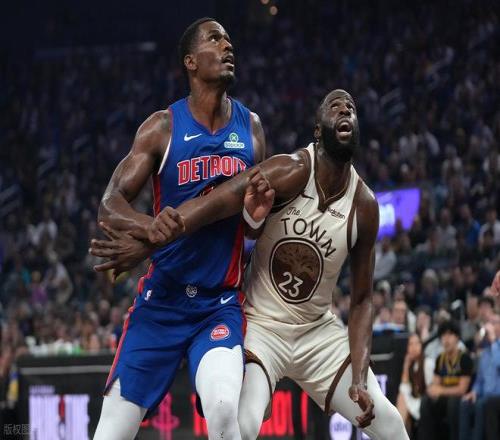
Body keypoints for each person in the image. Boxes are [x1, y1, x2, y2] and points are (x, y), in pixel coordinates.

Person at [91, 89, 408, 439]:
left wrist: (360, 377)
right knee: (239, 425)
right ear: (318, 130)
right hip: (261, 326)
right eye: (335, 106)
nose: (345, 110)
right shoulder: (290, 169)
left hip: (317, 330)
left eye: (351, 108)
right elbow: (219, 201)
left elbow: (362, 300)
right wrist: (152, 240)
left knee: (391, 425)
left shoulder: (364, 205)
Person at [91, 17, 268, 440]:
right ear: (190, 61)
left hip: (218, 303)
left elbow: (253, 222)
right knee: (110, 432)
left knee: (224, 412)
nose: (227, 46)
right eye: (215, 39)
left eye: (229, 39)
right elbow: (109, 203)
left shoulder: (251, 128)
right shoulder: (162, 127)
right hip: (162, 301)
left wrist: (254, 224)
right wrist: (149, 226)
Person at [418, 320, 473, 440]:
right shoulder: (440, 359)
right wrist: (433, 390)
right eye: (443, 335)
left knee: (452, 403)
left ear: (457, 337)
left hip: (461, 399)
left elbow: (462, 389)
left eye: (450, 335)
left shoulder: (464, 358)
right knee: (426, 401)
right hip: (445, 398)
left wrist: (440, 390)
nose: (446, 339)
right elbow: (435, 386)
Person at [459, 312, 500, 440]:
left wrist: (494, 341)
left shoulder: (495, 348)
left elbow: (498, 364)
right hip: (484, 396)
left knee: (481, 405)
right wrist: (474, 392)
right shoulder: (485, 351)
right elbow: (480, 380)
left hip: (497, 396)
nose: (490, 326)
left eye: (494, 323)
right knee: (465, 404)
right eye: (489, 323)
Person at [396, 333, 434, 435]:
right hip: (415, 401)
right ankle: (401, 434)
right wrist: (405, 366)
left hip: (425, 402)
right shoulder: (411, 365)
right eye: (410, 344)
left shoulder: (428, 363)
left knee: (402, 400)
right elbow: (404, 388)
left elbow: (431, 389)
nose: (413, 347)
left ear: (421, 345)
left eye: (417, 344)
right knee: (402, 398)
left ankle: (399, 434)